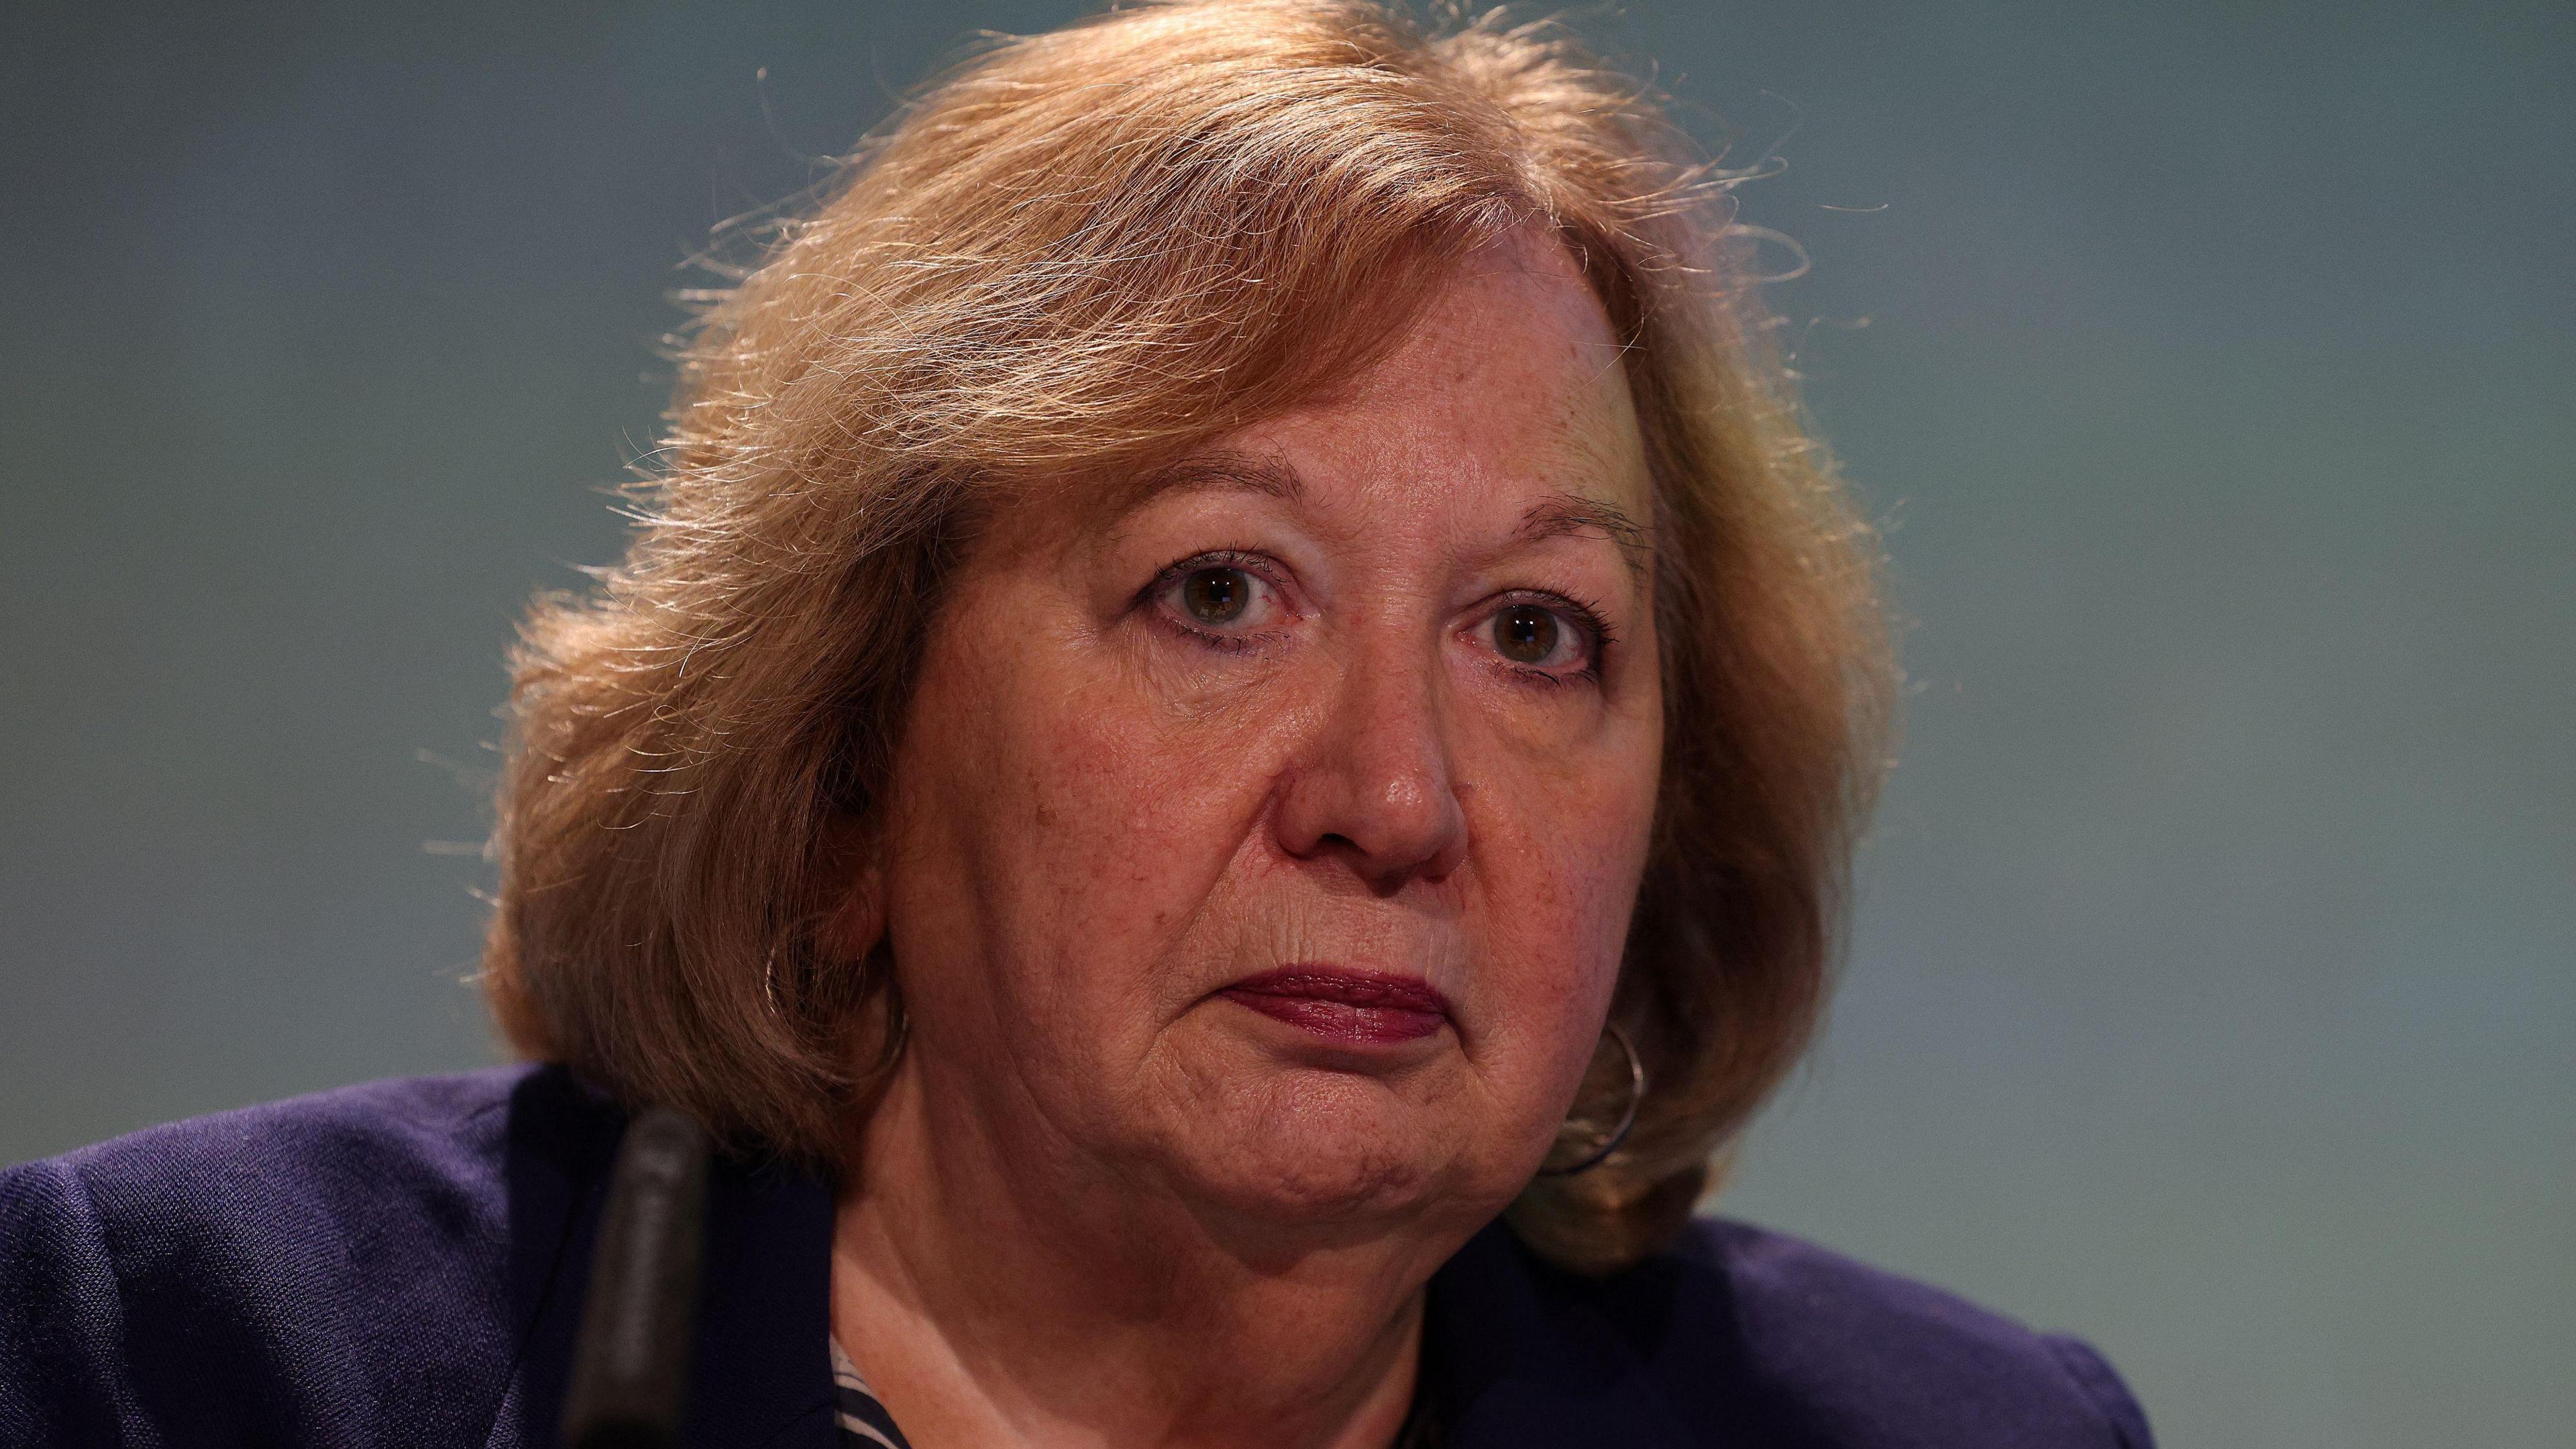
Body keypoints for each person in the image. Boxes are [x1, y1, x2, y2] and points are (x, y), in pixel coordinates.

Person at [0, 3, 2154, 1445]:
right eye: (1217, 593)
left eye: (1536, 634)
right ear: (843, 761)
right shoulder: (176, 1362)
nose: (1395, 802)